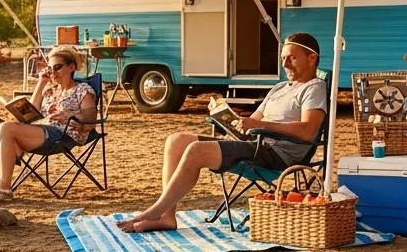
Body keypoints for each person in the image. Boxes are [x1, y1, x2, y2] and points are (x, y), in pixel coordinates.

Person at [118, 32, 326, 233]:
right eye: (283, 58)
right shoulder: (280, 87)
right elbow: (254, 119)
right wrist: (226, 116)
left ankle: (155, 211)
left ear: (311, 58)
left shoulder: (313, 88)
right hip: (254, 143)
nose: (285, 64)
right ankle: (167, 217)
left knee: (197, 150)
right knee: (177, 140)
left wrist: (264, 126)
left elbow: (307, 131)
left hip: (275, 153)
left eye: (292, 58)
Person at [0, 45, 97, 203]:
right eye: (50, 68)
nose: (53, 72)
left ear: (71, 67)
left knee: (5, 129)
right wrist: (41, 83)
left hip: (64, 135)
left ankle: (4, 186)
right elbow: (30, 115)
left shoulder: (82, 89)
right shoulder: (50, 90)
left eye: (57, 67)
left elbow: (90, 119)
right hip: (42, 130)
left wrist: (69, 115)